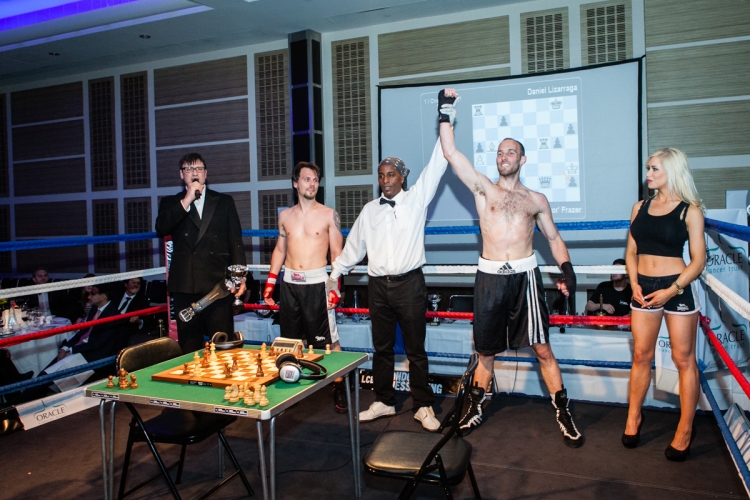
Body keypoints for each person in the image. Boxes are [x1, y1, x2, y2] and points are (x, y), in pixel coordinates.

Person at [439, 88, 583, 447]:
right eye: (500, 152)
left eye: (510, 152)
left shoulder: (536, 200)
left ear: (523, 159)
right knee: (485, 351)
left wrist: (567, 269)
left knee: (542, 348)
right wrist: (445, 110)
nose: (504, 157)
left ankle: (563, 410)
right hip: (490, 277)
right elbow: (451, 152)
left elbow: (554, 239)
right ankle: (474, 408)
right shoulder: (484, 190)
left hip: (525, 278)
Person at [326, 98, 453, 432]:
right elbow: (353, 248)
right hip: (378, 287)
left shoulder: (416, 200)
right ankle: (384, 400)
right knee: (381, 348)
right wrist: (334, 274)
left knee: (415, 350)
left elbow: (438, 163)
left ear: (402, 177)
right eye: (381, 175)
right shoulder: (370, 210)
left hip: (410, 284)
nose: (385, 180)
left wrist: (446, 116)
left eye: (391, 174)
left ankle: (423, 405)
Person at [623, 147, 705, 461]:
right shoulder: (639, 207)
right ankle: (634, 417)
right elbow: (631, 252)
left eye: (654, 169)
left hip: (677, 287)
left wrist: (672, 290)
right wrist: (634, 283)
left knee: (683, 359)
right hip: (642, 288)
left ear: (672, 171)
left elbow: (698, 261)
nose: (648, 174)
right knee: (641, 355)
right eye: (648, 168)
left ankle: (685, 430)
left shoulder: (690, 211)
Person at [263, 162, 346, 412]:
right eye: (307, 179)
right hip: (289, 283)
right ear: (295, 183)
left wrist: (335, 287)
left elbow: (337, 254)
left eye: (315, 180)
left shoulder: (329, 215)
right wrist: (270, 283)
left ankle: (339, 385)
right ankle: (291, 387)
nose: (312, 184)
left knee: (329, 340)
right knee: (289, 341)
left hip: (317, 284)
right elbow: (280, 250)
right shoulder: (285, 216)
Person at [155, 153, 246, 354]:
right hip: (185, 284)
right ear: (181, 175)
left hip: (218, 286)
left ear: (206, 173)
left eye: (198, 168)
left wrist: (240, 277)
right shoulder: (171, 203)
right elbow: (162, 228)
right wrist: (187, 200)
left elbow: (235, 241)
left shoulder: (224, 201)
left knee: (223, 345)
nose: (194, 173)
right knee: (189, 349)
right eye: (189, 169)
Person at [56, 282, 124, 363]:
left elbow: (99, 343)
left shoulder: (113, 315)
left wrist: (71, 350)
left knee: (57, 369)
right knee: (52, 365)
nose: (89, 297)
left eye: (92, 294)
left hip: (93, 355)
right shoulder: (95, 308)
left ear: (103, 297)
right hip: (82, 347)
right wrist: (65, 348)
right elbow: (84, 331)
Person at [114, 278, 151, 343]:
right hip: (111, 327)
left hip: (127, 331)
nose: (136, 285)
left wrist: (138, 321)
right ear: (126, 284)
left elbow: (147, 321)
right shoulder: (116, 296)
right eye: (133, 282)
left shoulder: (143, 300)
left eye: (138, 283)